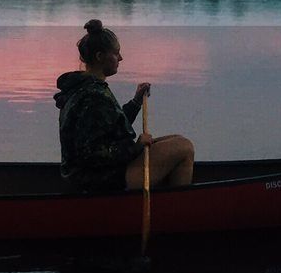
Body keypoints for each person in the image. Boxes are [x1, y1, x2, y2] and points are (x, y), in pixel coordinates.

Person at [53, 18, 194, 193]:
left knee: (176, 140)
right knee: (184, 148)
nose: (120, 58)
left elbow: (108, 126)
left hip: (99, 172)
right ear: (100, 57)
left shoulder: (85, 88)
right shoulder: (92, 96)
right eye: (116, 53)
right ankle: (177, 210)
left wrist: (135, 102)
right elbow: (92, 153)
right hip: (95, 180)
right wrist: (136, 147)